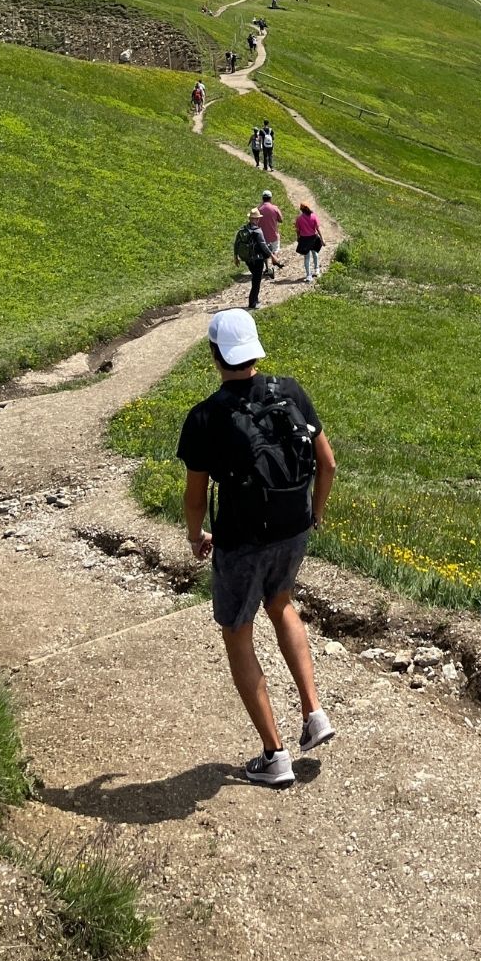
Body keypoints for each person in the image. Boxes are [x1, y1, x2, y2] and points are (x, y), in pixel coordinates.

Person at [178, 309, 337, 787]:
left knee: (237, 631)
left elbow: (193, 497)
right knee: (281, 603)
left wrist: (195, 536)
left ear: (215, 355)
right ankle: (314, 713)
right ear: (254, 350)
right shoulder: (290, 391)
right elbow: (327, 464)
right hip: (294, 526)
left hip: (242, 539)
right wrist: (316, 514)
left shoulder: (205, 416)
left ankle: (275, 755)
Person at [234, 208, 274, 308]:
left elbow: (236, 243)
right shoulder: (257, 231)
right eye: (257, 219)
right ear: (254, 219)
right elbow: (264, 246)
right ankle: (252, 303)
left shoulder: (243, 230)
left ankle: (255, 298)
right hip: (258, 259)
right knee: (256, 281)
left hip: (247, 259)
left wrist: (236, 257)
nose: (258, 220)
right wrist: (273, 256)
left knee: (255, 278)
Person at [295, 202, 324, 285]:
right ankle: (317, 270)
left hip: (304, 239)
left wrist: (298, 238)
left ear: (301, 209)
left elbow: (298, 230)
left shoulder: (299, 218)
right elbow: (318, 229)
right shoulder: (314, 216)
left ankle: (308, 275)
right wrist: (322, 239)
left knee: (306, 258)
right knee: (315, 253)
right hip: (314, 238)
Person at [258, 191, 284, 264]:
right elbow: (281, 220)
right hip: (273, 235)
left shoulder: (259, 209)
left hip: (262, 236)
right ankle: (274, 261)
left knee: (264, 251)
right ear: (270, 198)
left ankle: (266, 267)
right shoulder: (274, 208)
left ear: (263, 198)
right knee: (275, 249)